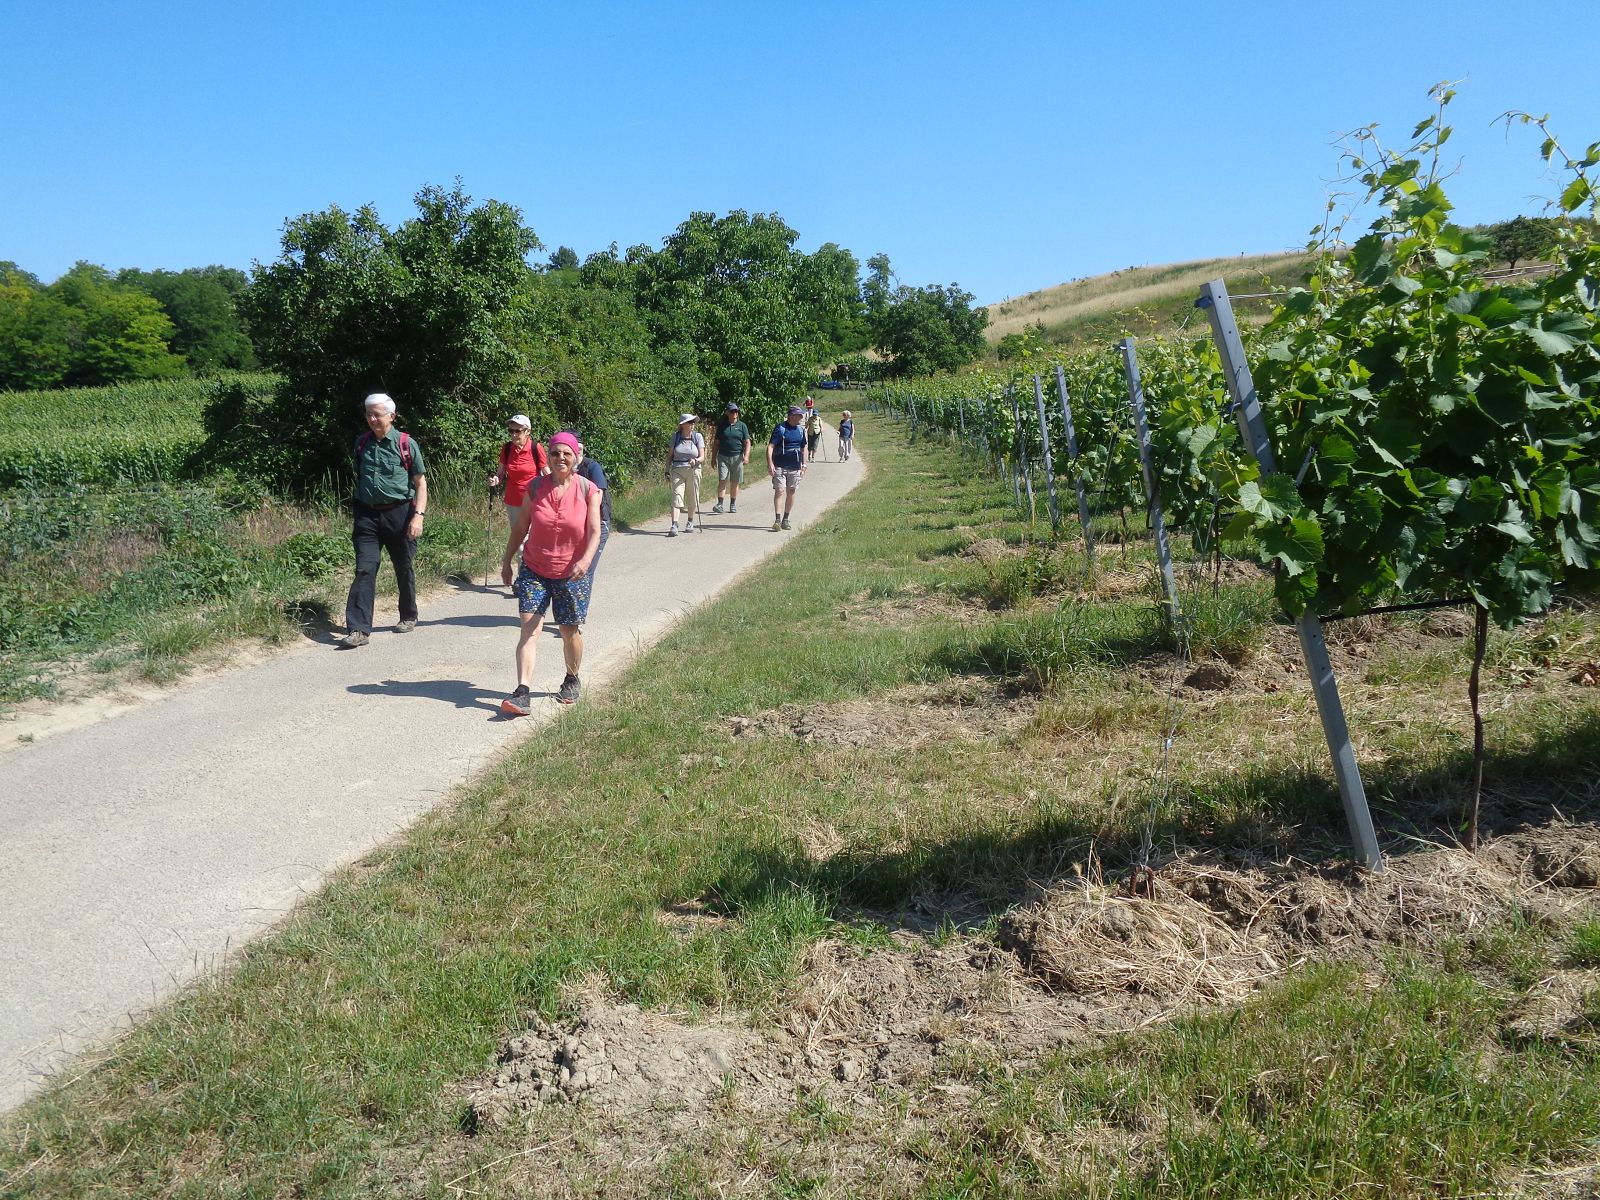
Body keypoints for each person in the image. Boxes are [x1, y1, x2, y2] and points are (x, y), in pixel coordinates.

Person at [499, 432, 602, 712]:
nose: (560, 458)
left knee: (569, 631)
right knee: (529, 629)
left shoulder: (588, 490)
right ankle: (522, 692)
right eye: (555, 453)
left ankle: (572, 677)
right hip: (534, 569)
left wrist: (586, 561)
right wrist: (507, 561)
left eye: (566, 453)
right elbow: (520, 528)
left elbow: (595, 531)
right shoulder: (535, 487)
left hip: (572, 573)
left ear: (576, 457)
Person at [341, 393, 427, 648]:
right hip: (367, 515)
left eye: (377, 414)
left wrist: (418, 517)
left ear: (392, 416)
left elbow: (420, 484)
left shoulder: (406, 444)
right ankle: (359, 629)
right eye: (369, 414)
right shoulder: (361, 443)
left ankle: (408, 614)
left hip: (399, 514)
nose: (372, 419)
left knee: (403, 565)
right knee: (365, 568)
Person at [487, 413, 548, 525]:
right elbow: (500, 474)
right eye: (511, 431)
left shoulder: (536, 448)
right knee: (517, 533)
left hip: (533, 500)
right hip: (513, 501)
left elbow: (547, 474)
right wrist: (495, 480)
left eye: (517, 431)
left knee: (532, 534)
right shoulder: (507, 448)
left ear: (527, 431)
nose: (513, 435)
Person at [767, 403, 808, 532]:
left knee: (791, 491)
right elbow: (771, 446)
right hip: (780, 465)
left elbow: (803, 448)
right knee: (779, 490)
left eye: (801, 415)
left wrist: (804, 465)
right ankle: (777, 520)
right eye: (798, 415)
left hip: (795, 466)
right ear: (791, 416)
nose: (800, 418)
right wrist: (770, 463)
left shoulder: (800, 430)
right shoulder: (780, 428)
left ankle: (786, 519)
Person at [664, 413, 704, 537]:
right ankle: (674, 524)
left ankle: (690, 522)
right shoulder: (675, 437)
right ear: (683, 425)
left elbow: (702, 456)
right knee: (676, 496)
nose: (692, 424)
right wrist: (666, 471)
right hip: (677, 470)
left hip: (694, 470)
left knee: (692, 497)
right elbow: (669, 456)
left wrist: (696, 460)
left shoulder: (697, 436)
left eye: (693, 422)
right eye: (690, 422)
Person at [711, 402, 751, 514]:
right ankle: (720, 504)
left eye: (736, 411)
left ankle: (732, 504)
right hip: (723, 456)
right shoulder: (722, 426)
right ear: (727, 413)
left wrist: (746, 456)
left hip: (737, 457)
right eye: (732, 411)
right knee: (722, 479)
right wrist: (713, 458)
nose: (734, 413)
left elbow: (747, 442)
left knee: (735, 482)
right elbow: (716, 443)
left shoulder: (742, 426)